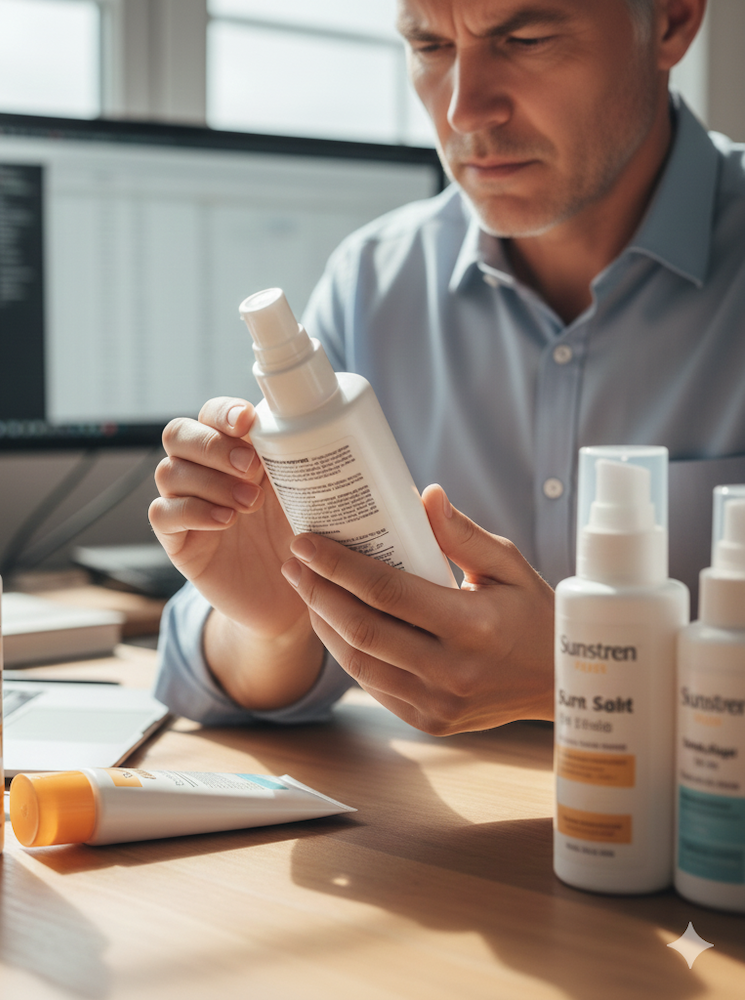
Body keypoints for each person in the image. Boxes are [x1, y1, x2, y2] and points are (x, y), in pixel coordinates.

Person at [148, 0, 745, 735]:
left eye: (523, 39)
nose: (464, 110)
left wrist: (580, 679)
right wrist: (277, 628)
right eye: (429, 46)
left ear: (672, 22)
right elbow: (208, 684)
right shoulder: (371, 284)